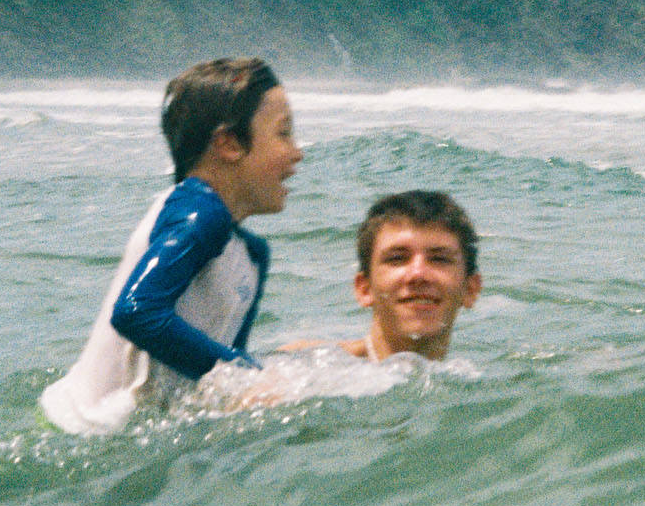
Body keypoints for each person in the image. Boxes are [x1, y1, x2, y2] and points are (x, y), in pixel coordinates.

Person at [41, 57, 302, 434]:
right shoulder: (198, 211)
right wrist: (251, 375)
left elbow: (220, 382)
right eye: (283, 133)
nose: (297, 152)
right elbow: (135, 311)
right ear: (228, 143)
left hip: (130, 437)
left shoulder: (251, 255)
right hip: (76, 428)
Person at [281, 190, 481, 362]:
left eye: (439, 259)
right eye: (397, 259)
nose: (418, 274)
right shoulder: (302, 366)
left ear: (470, 289)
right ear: (364, 289)